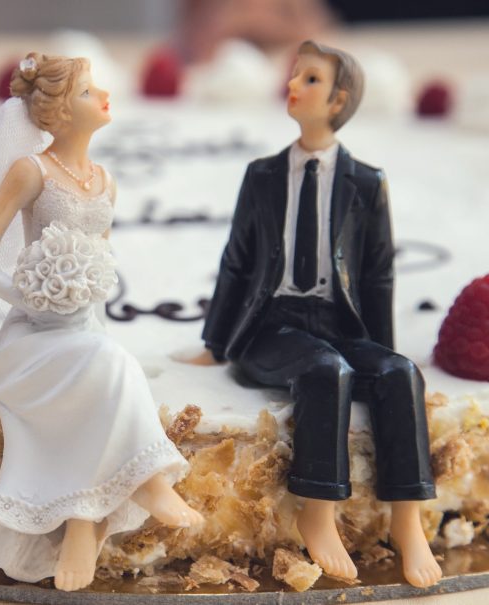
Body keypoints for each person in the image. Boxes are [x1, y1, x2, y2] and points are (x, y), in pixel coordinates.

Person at [188, 40, 443, 588]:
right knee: (325, 369)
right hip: (272, 326)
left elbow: (377, 273)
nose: (292, 86)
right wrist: (216, 343)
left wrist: (383, 348)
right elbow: (237, 261)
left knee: (399, 374)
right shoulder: (262, 175)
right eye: (295, 76)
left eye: (308, 80)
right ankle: (317, 511)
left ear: (337, 101)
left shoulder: (368, 182)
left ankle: (407, 519)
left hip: (340, 322)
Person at [0, 53, 203, 592]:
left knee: (109, 362)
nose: (104, 96)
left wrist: (89, 315)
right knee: (110, 366)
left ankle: (81, 525)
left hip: (84, 334)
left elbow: (101, 270)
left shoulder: (106, 181)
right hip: (31, 340)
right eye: (89, 91)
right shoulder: (31, 172)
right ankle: (148, 478)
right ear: (59, 111)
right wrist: (27, 297)